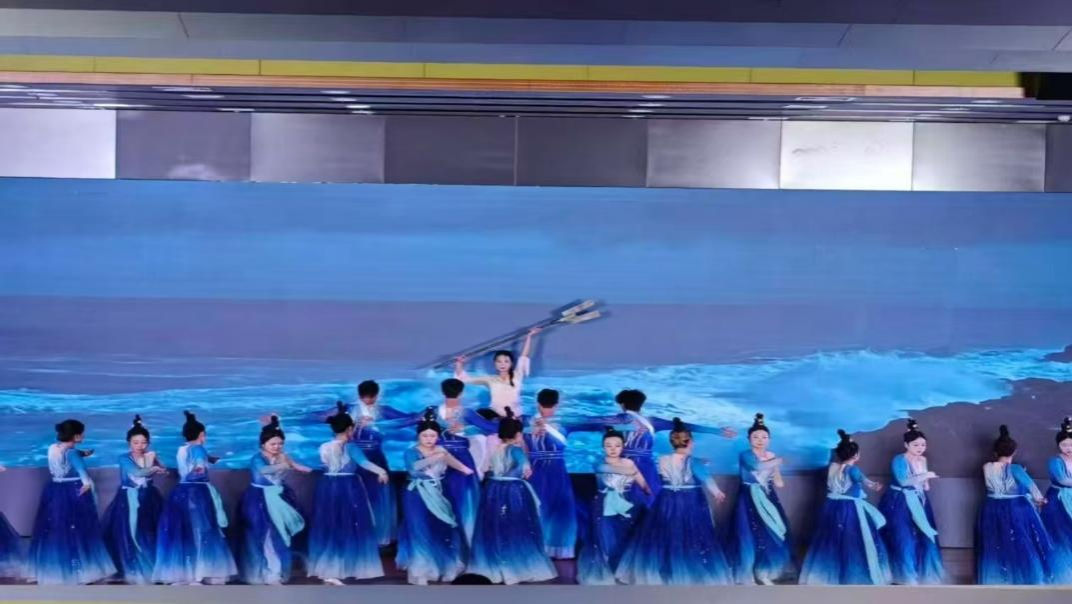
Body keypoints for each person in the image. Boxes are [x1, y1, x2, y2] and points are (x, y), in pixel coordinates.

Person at [614, 418, 732, 585]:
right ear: (690, 442)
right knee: (691, 536)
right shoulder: (695, 462)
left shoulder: (662, 459)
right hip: (690, 502)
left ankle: (664, 571)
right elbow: (706, 478)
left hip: (666, 501)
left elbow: (670, 472)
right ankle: (687, 573)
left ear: (672, 442)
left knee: (664, 535)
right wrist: (717, 492)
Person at [467, 408, 557, 585]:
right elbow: (526, 470)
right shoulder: (516, 450)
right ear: (517, 434)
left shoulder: (495, 447)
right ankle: (516, 567)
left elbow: (487, 469)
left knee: (494, 527)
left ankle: (496, 566)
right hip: (513, 490)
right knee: (517, 527)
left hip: (493, 489)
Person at [308, 402, 388, 585]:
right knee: (348, 526)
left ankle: (329, 569)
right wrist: (381, 471)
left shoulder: (324, 446)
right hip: (347, 487)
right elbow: (364, 463)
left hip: (327, 487)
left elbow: (321, 466)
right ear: (350, 429)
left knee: (330, 525)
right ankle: (340, 568)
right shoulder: (351, 446)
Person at [28, 419, 116, 585]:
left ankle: (53, 569)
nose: (83, 436)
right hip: (72, 490)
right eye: (81, 433)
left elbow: (68, 455)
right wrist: (87, 484)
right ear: (75, 436)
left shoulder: (53, 448)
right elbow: (81, 469)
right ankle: (80, 571)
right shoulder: (72, 453)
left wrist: (83, 453)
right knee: (78, 529)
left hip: (55, 489)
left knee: (56, 529)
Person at [153, 411, 237, 585]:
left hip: (181, 491)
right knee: (202, 531)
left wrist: (210, 459)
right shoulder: (199, 448)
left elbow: (194, 459)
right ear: (202, 435)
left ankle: (185, 573)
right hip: (197, 492)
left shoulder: (182, 449)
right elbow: (198, 464)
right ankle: (200, 573)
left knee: (184, 532)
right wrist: (200, 468)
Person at [800, 429, 890, 585]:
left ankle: (828, 575)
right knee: (853, 539)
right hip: (850, 508)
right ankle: (853, 576)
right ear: (856, 455)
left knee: (831, 538)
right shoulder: (854, 470)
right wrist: (874, 485)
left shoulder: (833, 467)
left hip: (832, 506)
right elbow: (865, 481)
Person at [396, 409, 473, 585]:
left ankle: (447, 567)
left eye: (433, 436)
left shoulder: (441, 450)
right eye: (425, 436)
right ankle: (421, 572)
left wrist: (467, 470)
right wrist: (436, 457)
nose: (429, 439)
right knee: (419, 529)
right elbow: (413, 469)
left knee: (443, 529)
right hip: (417, 494)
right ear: (418, 436)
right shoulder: (411, 451)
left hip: (439, 492)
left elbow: (454, 463)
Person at [236, 416, 312, 585]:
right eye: (273, 444)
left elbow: (295, 465)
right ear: (263, 444)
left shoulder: (283, 456)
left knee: (280, 536)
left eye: (280, 444)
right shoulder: (257, 458)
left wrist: (304, 468)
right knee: (265, 536)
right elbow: (264, 470)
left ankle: (276, 572)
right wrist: (283, 465)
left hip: (279, 498)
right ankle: (268, 573)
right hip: (259, 500)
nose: (277, 447)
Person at [724, 413, 795, 585]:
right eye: (755, 437)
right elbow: (757, 466)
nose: (760, 440)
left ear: (769, 439)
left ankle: (766, 572)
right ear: (749, 439)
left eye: (764, 437)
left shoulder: (771, 455)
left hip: (768, 497)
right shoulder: (745, 455)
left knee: (772, 532)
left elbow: (778, 483)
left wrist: (777, 467)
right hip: (748, 497)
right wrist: (778, 461)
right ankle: (748, 574)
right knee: (748, 534)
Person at [576, 427, 650, 585]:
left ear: (623, 446)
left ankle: (623, 569)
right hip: (605, 504)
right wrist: (630, 471)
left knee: (627, 536)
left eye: (617, 445)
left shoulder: (629, 462)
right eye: (608, 445)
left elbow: (640, 479)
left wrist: (646, 489)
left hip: (629, 503)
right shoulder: (599, 462)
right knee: (605, 536)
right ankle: (606, 569)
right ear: (603, 447)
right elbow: (607, 469)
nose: (613, 449)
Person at [877, 418, 945, 585]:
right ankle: (903, 576)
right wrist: (924, 475)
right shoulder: (899, 459)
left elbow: (925, 485)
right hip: (899, 502)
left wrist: (926, 480)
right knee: (902, 537)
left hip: (919, 500)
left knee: (923, 537)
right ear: (906, 445)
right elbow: (903, 481)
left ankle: (921, 575)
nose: (920, 448)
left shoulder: (923, 460)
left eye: (923, 445)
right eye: (916, 445)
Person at [102, 415, 167, 584]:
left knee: (150, 532)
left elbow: (162, 469)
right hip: (128, 498)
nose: (140, 446)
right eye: (136, 442)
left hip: (149, 497)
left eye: (144, 442)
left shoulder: (150, 455)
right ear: (129, 443)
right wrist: (154, 468)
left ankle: (153, 569)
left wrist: (160, 468)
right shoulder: (124, 458)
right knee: (128, 534)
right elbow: (137, 472)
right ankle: (133, 570)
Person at [349, 380, 406, 546]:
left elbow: (406, 419)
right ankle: (358, 536)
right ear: (360, 396)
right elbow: (328, 419)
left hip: (376, 457)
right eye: (365, 397)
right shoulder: (349, 409)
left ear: (376, 396)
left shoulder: (382, 410)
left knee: (379, 496)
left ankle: (378, 537)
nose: (368, 400)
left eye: (370, 397)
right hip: (355, 458)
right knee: (358, 496)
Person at [524, 388, 579, 559]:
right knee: (558, 508)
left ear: (537, 403)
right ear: (557, 404)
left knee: (539, 506)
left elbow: (499, 428)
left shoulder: (525, 421)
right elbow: (596, 424)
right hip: (555, 472)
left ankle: (536, 547)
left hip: (535, 470)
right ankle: (555, 548)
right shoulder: (564, 423)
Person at [1042, 416, 1072, 583]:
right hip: (1058, 501)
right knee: (1060, 534)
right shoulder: (1054, 461)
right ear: (1058, 445)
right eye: (1064, 445)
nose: (1068, 448)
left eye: (1071, 445)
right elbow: (1062, 479)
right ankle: (1061, 574)